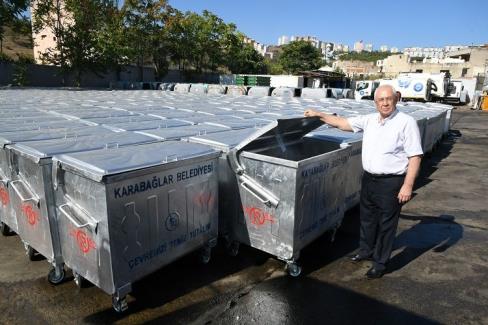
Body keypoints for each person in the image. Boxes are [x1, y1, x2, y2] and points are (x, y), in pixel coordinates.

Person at [304, 84, 423, 279]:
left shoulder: (406, 122)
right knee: (367, 218)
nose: (385, 103)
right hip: (369, 179)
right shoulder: (370, 120)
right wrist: (319, 115)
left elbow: (415, 156)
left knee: (386, 224)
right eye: (380, 100)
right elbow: (343, 123)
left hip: (391, 182)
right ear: (375, 103)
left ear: (395, 99)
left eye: (388, 99)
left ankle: (380, 263)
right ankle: (365, 251)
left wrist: (408, 186)